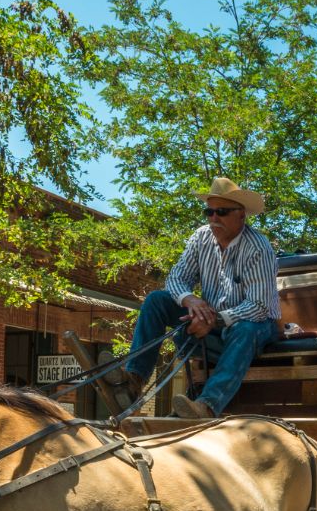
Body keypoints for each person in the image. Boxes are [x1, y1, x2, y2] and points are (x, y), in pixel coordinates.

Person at [102, 176, 282, 419]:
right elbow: (176, 279)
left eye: (222, 212)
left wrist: (215, 319)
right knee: (156, 300)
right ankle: (133, 380)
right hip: (209, 321)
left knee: (245, 329)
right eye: (209, 211)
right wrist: (190, 300)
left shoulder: (258, 247)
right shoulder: (201, 237)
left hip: (254, 328)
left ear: (241, 215)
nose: (213, 218)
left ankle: (206, 406)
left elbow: (259, 306)